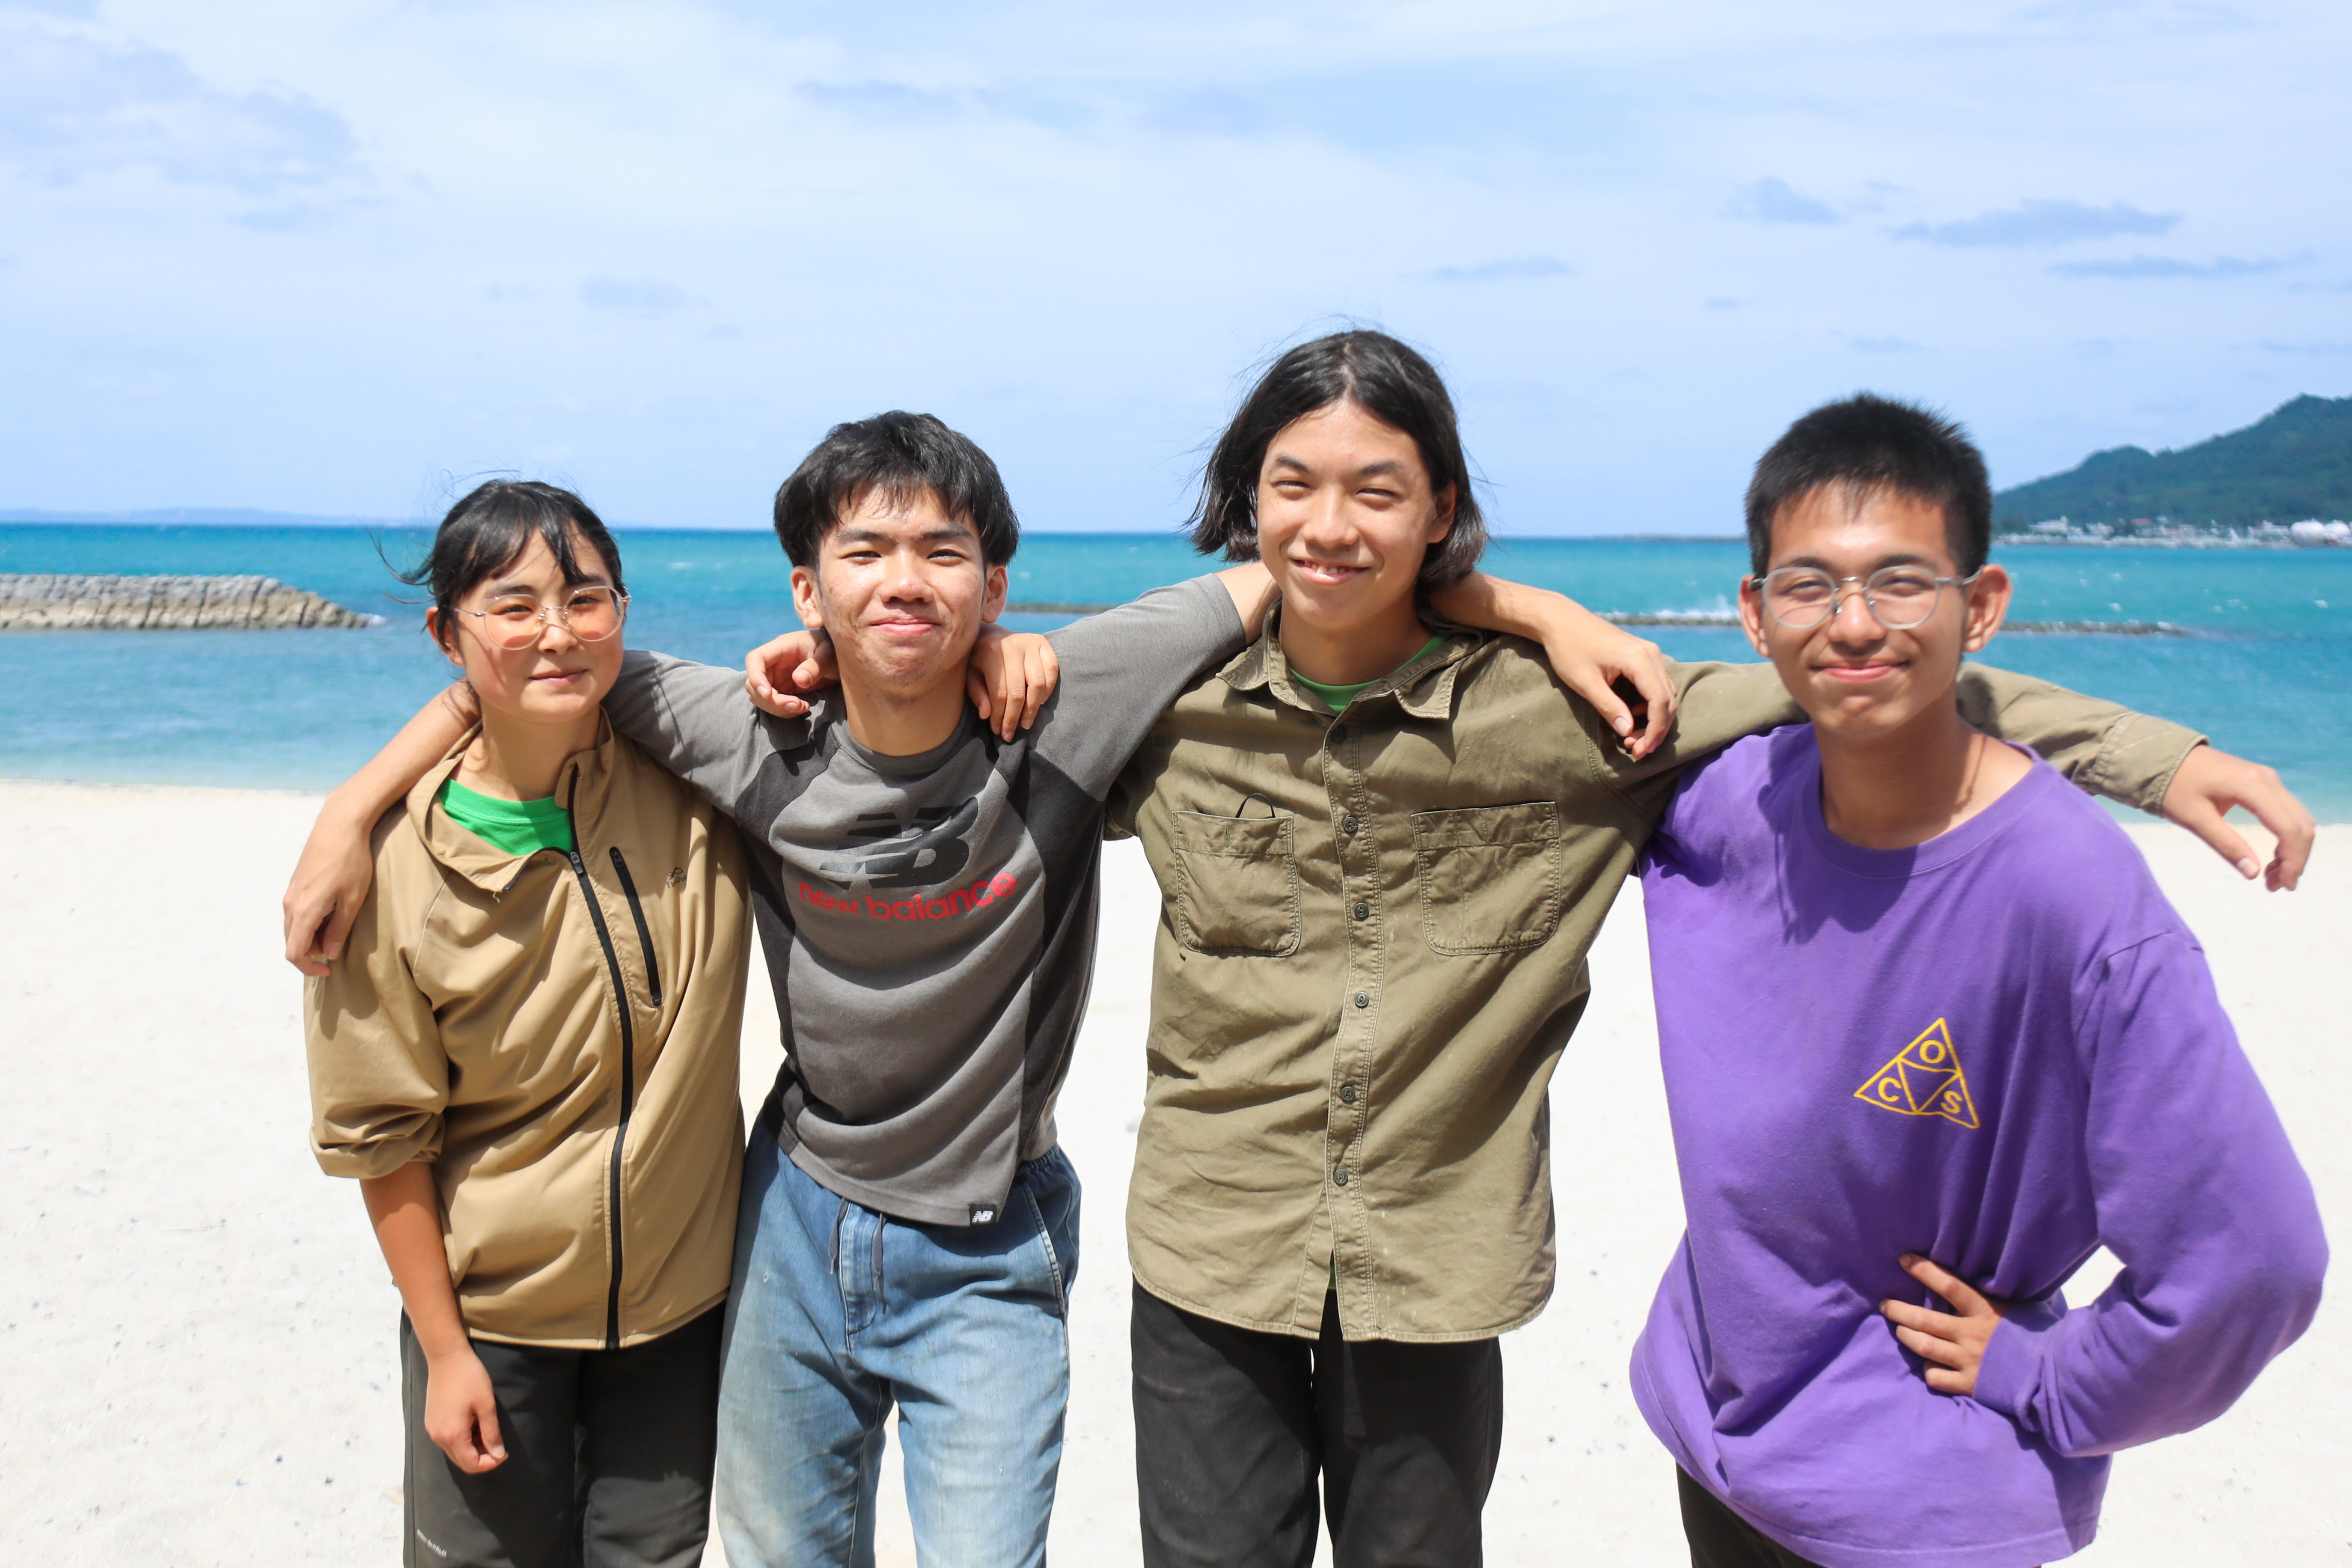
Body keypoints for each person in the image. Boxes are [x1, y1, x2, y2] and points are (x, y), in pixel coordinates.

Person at [284, 411, 1664, 1568]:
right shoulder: (749, 734)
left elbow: (1322, 573)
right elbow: (540, 669)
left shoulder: (1071, 707)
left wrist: (1535, 610)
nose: (905, 581)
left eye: (943, 553)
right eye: (864, 554)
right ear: (806, 595)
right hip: (792, 1219)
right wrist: (355, 809)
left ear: (997, 588)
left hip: (992, 1243)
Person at [1091, 332, 2314, 1568]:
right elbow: (1031, 717)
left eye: (1378, 490)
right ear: (1250, 494)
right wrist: (1505, 598)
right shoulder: (1170, 709)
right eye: (1294, 484)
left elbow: (1853, 685)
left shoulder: (1565, 715)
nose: (1330, 522)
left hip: (1432, 1260)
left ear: (1440, 508)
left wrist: (2159, 761)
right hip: (1209, 1241)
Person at [1629, 395, 2327, 1568]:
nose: (1855, 623)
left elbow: (2256, 1258)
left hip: (1924, 1493)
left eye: (1902, 582)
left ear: (1983, 606)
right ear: (1753, 614)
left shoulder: (2072, 894)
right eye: (1809, 586)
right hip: (1719, 1448)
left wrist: (2050, 1373)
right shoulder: (1720, 802)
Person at [303, 481, 751, 1568]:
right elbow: (381, 1136)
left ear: (623, 611)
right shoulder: (394, 866)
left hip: (681, 1315)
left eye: (586, 598)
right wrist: (445, 1350)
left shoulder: (698, 791)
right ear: (445, 632)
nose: (558, 630)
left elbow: (870, 691)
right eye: (514, 605)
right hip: (493, 1326)